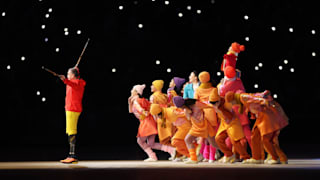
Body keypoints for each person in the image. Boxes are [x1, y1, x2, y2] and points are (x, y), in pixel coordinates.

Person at [173, 96, 219, 164]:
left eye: (181, 107)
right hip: (195, 128)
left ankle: (229, 153)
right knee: (187, 139)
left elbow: (208, 105)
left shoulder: (196, 104)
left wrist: (217, 106)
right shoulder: (186, 110)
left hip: (205, 127)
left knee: (214, 144)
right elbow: (188, 118)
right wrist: (187, 112)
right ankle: (193, 158)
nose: (181, 108)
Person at [209, 89, 250, 163]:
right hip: (224, 123)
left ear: (218, 101)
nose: (213, 105)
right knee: (218, 138)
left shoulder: (226, 103)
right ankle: (229, 154)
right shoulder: (214, 104)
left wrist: (220, 109)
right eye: (212, 103)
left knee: (235, 141)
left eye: (214, 103)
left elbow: (230, 116)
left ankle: (245, 157)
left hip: (233, 122)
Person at [59, 67, 86, 164]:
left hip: (73, 109)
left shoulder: (78, 83)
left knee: (72, 131)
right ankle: (71, 155)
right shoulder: (72, 82)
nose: (67, 74)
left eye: (68, 73)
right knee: (70, 131)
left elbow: (72, 83)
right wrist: (67, 79)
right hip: (70, 108)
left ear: (73, 75)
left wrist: (65, 80)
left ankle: (72, 155)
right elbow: (70, 82)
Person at [128, 84, 159, 162]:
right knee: (151, 143)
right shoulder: (137, 100)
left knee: (140, 141)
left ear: (136, 92)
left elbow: (140, 109)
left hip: (146, 122)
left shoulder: (136, 100)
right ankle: (172, 150)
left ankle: (152, 156)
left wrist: (143, 112)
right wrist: (129, 102)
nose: (131, 91)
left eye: (133, 90)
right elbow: (131, 111)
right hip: (148, 121)